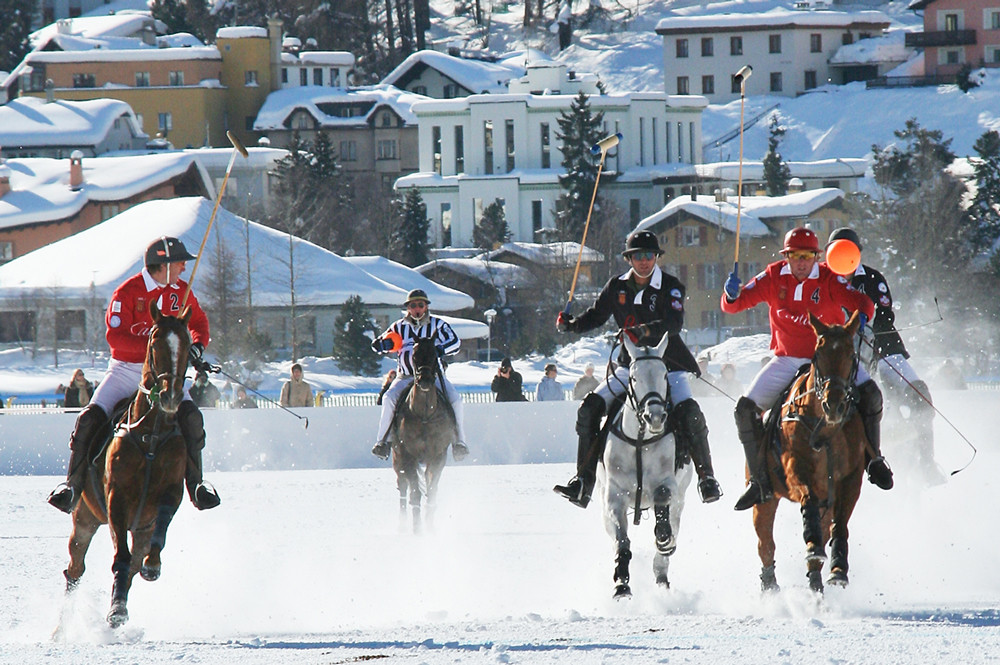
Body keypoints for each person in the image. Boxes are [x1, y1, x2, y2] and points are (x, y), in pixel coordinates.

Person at [720, 226, 891, 512]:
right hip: (787, 359)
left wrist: (862, 317)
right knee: (744, 410)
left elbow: (863, 302)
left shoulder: (829, 278)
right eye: (795, 256)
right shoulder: (774, 276)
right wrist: (731, 295)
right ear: (786, 256)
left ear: (816, 256)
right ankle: (760, 480)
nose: (801, 262)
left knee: (871, 394)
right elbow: (734, 307)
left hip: (830, 362)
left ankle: (874, 461)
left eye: (808, 256)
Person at [47, 236, 221, 514]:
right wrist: (158, 347)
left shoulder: (181, 291)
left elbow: (199, 322)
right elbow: (115, 337)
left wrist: (197, 345)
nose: (183, 269)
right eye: (179, 263)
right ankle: (72, 487)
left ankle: (197, 486)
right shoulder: (128, 292)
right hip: (127, 371)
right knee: (89, 418)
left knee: (191, 418)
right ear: (161, 265)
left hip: (165, 376)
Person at [553, 230, 722, 508]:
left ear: (656, 257)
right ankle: (583, 482)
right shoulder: (616, 286)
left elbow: (674, 323)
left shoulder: (671, 286)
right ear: (629, 259)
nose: (644, 261)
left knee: (690, 414)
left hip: (669, 366)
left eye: (649, 255)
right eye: (638, 256)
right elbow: (596, 315)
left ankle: (707, 478)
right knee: (589, 409)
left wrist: (644, 330)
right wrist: (572, 325)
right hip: (630, 365)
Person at [827, 227, 943, 482]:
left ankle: (927, 462)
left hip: (881, 347)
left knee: (920, 391)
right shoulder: (822, 280)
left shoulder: (871, 278)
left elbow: (885, 317)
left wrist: (868, 333)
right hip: (837, 350)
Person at [370, 289, 469, 460]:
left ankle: (459, 442)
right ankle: (383, 442)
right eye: (413, 305)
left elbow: (455, 342)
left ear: (426, 307)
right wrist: (382, 345)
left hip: (433, 377)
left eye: (420, 305)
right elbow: (378, 344)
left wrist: (440, 349)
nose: (417, 309)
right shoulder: (398, 326)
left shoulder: (438, 325)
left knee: (455, 400)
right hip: (406, 377)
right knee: (388, 399)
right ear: (408, 308)